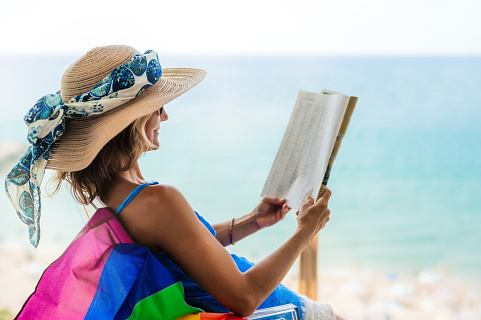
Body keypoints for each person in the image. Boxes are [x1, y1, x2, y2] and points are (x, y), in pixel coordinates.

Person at [5, 45, 340, 320]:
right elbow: (245, 297)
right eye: (158, 107)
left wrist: (252, 222)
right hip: (274, 308)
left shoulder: (115, 195)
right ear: (131, 122)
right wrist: (305, 232)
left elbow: (180, 248)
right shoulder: (158, 200)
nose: (165, 116)